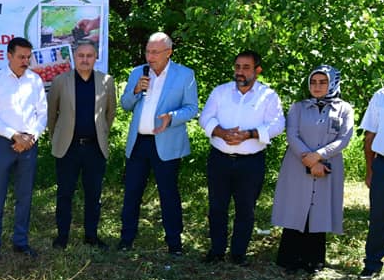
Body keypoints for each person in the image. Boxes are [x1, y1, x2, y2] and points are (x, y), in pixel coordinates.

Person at [198, 50, 285, 265]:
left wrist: (250, 134)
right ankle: (217, 251)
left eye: (246, 68)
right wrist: (222, 133)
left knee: (245, 208)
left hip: (251, 162)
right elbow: (205, 118)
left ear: (257, 70)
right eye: (237, 67)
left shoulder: (268, 96)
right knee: (217, 207)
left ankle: (238, 254)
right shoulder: (220, 92)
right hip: (220, 159)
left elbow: (277, 124)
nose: (240, 72)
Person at [118, 32, 199, 255]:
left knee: (168, 194)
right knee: (132, 192)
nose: (150, 56)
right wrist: (135, 90)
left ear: (168, 53)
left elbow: (192, 108)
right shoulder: (138, 73)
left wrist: (171, 117)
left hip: (167, 143)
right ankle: (126, 238)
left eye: (155, 52)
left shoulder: (184, 75)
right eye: (148, 51)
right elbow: (125, 105)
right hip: (139, 143)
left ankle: (174, 243)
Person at [272, 66, 353, 273]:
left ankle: (313, 261)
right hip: (297, 164)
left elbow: (344, 138)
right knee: (296, 207)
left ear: (333, 83)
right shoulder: (298, 107)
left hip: (328, 165)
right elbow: (292, 134)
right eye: (313, 82)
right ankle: (289, 259)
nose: (317, 86)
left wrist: (318, 157)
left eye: (323, 82)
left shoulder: (344, 109)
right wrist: (309, 160)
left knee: (319, 209)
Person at [47, 40, 116, 250]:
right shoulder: (60, 81)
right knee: (65, 193)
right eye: (81, 55)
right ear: (74, 58)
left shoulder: (107, 81)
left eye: (89, 55)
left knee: (93, 194)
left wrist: (101, 133)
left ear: (96, 58)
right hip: (68, 147)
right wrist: (56, 137)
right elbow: (52, 114)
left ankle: (91, 235)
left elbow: (110, 113)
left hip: (95, 147)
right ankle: (62, 236)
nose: (85, 59)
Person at [0, 37, 47, 261]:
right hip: (2, 142)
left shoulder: (35, 81)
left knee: (24, 195)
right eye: (21, 57)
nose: (25, 61)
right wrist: (14, 135)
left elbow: (42, 115)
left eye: (28, 57)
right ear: (8, 56)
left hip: (29, 143)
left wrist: (30, 137)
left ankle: (20, 242)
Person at [358, 78, 384, 279]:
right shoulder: (383, 96)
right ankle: (372, 264)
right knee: (379, 218)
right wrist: (370, 169)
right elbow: (369, 136)